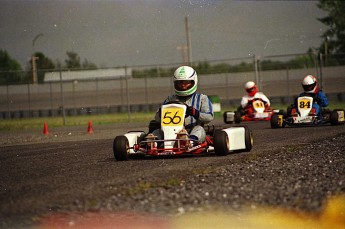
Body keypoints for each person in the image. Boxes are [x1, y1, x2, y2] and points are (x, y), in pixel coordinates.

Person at [151, 66, 214, 146]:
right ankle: (153, 143)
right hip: (169, 131)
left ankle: (188, 142)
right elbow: (156, 118)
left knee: (199, 129)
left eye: (186, 82)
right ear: (175, 83)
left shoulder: (202, 98)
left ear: (193, 82)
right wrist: (160, 113)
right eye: (180, 83)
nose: (183, 85)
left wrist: (194, 113)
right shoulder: (170, 99)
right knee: (157, 132)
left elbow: (209, 117)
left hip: (191, 130)